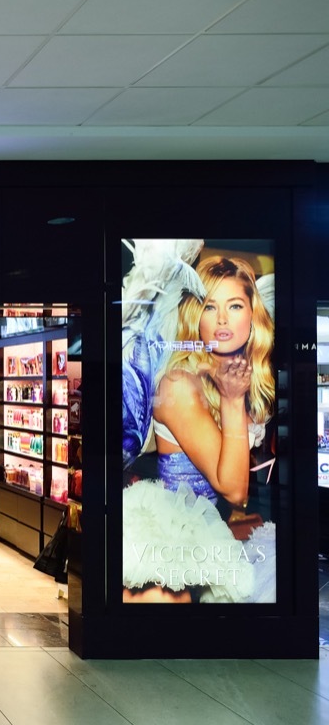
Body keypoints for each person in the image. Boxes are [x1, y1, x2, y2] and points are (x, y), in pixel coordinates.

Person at [123, 253, 275, 603]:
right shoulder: (180, 383)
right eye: (209, 306)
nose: (222, 319)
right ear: (195, 315)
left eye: (235, 306)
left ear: (253, 315)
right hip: (170, 539)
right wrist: (232, 400)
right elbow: (235, 490)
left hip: (214, 535)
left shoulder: (241, 379)